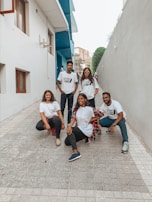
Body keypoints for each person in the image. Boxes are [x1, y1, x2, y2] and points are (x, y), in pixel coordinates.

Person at [64, 93, 98, 162]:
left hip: (87, 129)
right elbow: (74, 119)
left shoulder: (90, 109)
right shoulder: (77, 109)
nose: (80, 100)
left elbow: (98, 116)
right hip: (79, 128)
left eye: (82, 98)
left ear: (85, 100)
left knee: (71, 131)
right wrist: (69, 126)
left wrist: (89, 120)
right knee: (67, 142)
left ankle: (76, 152)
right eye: (79, 99)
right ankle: (83, 138)